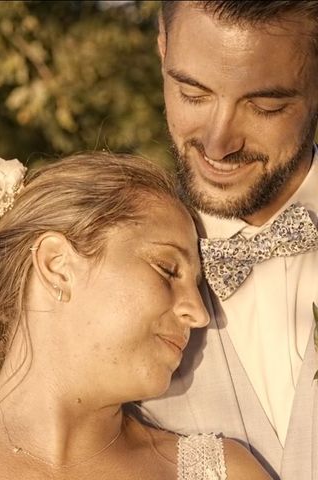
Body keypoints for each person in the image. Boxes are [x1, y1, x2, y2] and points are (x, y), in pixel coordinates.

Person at [0, 152, 269, 479]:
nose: (198, 313)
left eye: (199, 286)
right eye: (168, 269)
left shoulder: (225, 473)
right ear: (58, 265)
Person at [142, 1, 318, 479]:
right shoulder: (103, 267)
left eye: (265, 106)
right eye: (192, 93)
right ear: (162, 47)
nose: (219, 144)